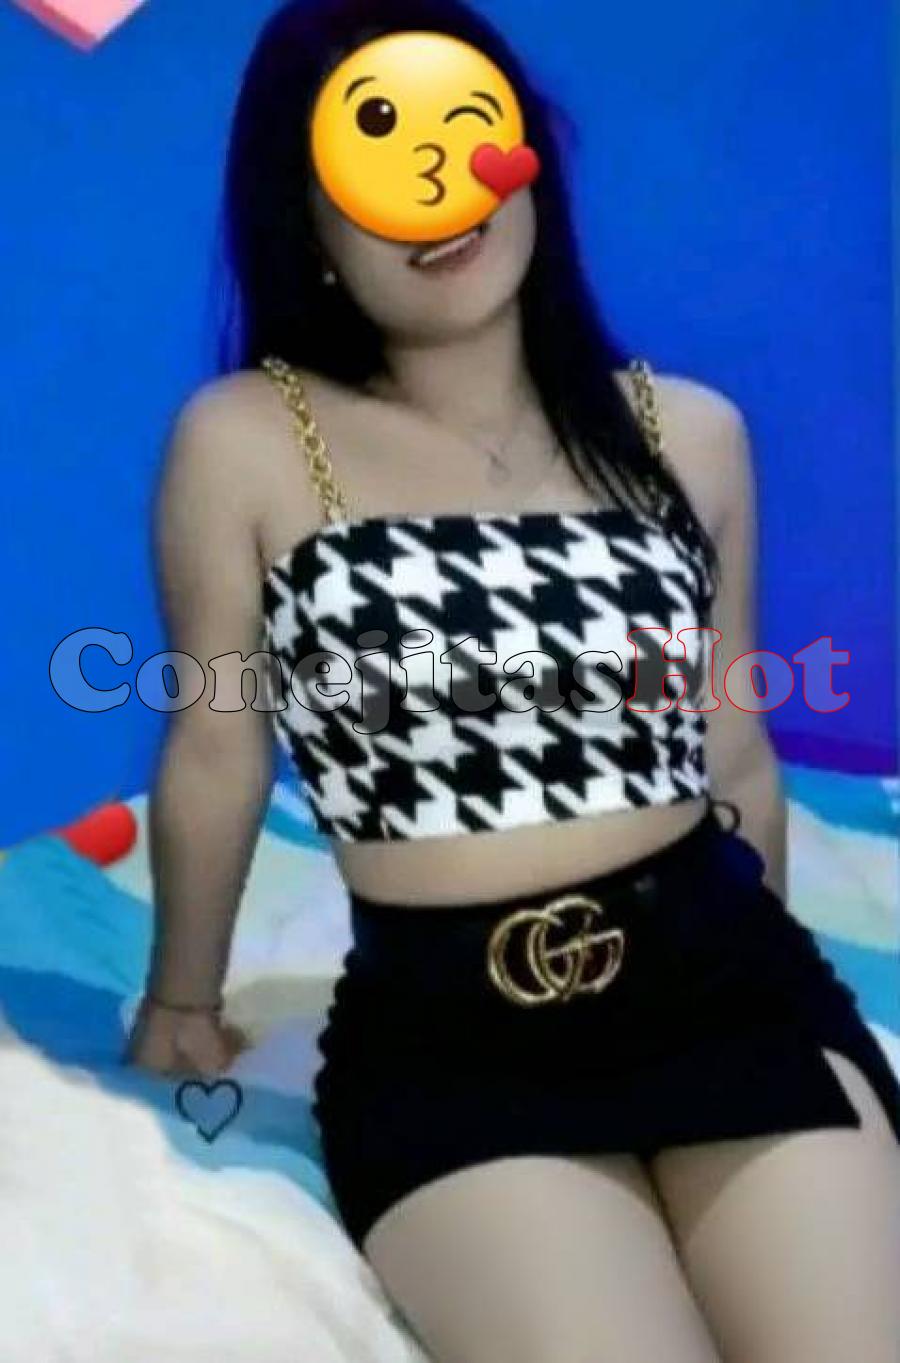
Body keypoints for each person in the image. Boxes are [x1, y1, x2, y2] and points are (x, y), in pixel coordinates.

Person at [126, 1, 900, 1359]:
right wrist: (182, 1001)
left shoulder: (689, 432)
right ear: (306, 216)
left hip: (720, 981)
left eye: (462, 125)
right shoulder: (250, 442)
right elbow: (217, 745)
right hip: (452, 1039)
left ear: (524, 150)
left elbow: (734, 747)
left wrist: (772, 969)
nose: (435, 185)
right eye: (374, 151)